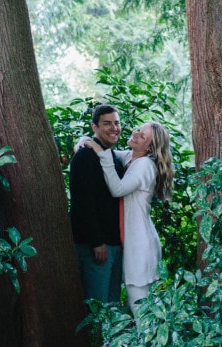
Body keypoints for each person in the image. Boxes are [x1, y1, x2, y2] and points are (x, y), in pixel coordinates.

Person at [85, 121, 174, 314]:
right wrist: (85, 143)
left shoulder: (144, 166)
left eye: (142, 136)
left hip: (141, 247)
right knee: (142, 310)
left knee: (141, 313)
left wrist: (100, 153)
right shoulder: (131, 157)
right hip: (137, 242)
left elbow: (118, 189)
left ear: (149, 147)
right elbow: (106, 153)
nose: (135, 135)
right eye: (137, 130)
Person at [69, 103, 124, 303]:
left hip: (114, 243)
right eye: (107, 124)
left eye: (116, 123)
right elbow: (82, 203)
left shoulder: (112, 157)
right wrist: (96, 242)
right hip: (95, 246)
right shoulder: (84, 156)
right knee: (98, 306)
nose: (114, 128)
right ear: (95, 127)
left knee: (113, 305)